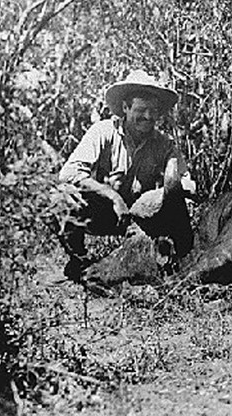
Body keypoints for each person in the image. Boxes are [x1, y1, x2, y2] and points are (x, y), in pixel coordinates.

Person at [53, 69, 195, 282]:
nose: (148, 116)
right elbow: (69, 173)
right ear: (125, 108)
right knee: (62, 196)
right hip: (105, 212)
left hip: (142, 220)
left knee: (179, 208)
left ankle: (170, 262)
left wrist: (157, 196)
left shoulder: (165, 144)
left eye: (154, 110)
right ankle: (78, 260)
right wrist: (112, 196)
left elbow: (188, 184)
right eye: (141, 109)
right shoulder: (102, 131)